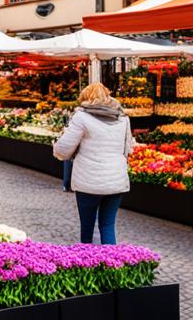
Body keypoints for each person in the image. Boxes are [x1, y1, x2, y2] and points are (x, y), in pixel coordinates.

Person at [53, 82, 134, 244]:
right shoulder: (123, 118)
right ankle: (111, 265)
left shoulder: (82, 117)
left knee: (87, 228)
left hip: (88, 181)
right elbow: (127, 150)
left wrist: (56, 147)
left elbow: (63, 150)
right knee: (108, 226)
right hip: (115, 180)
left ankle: (87, 263)